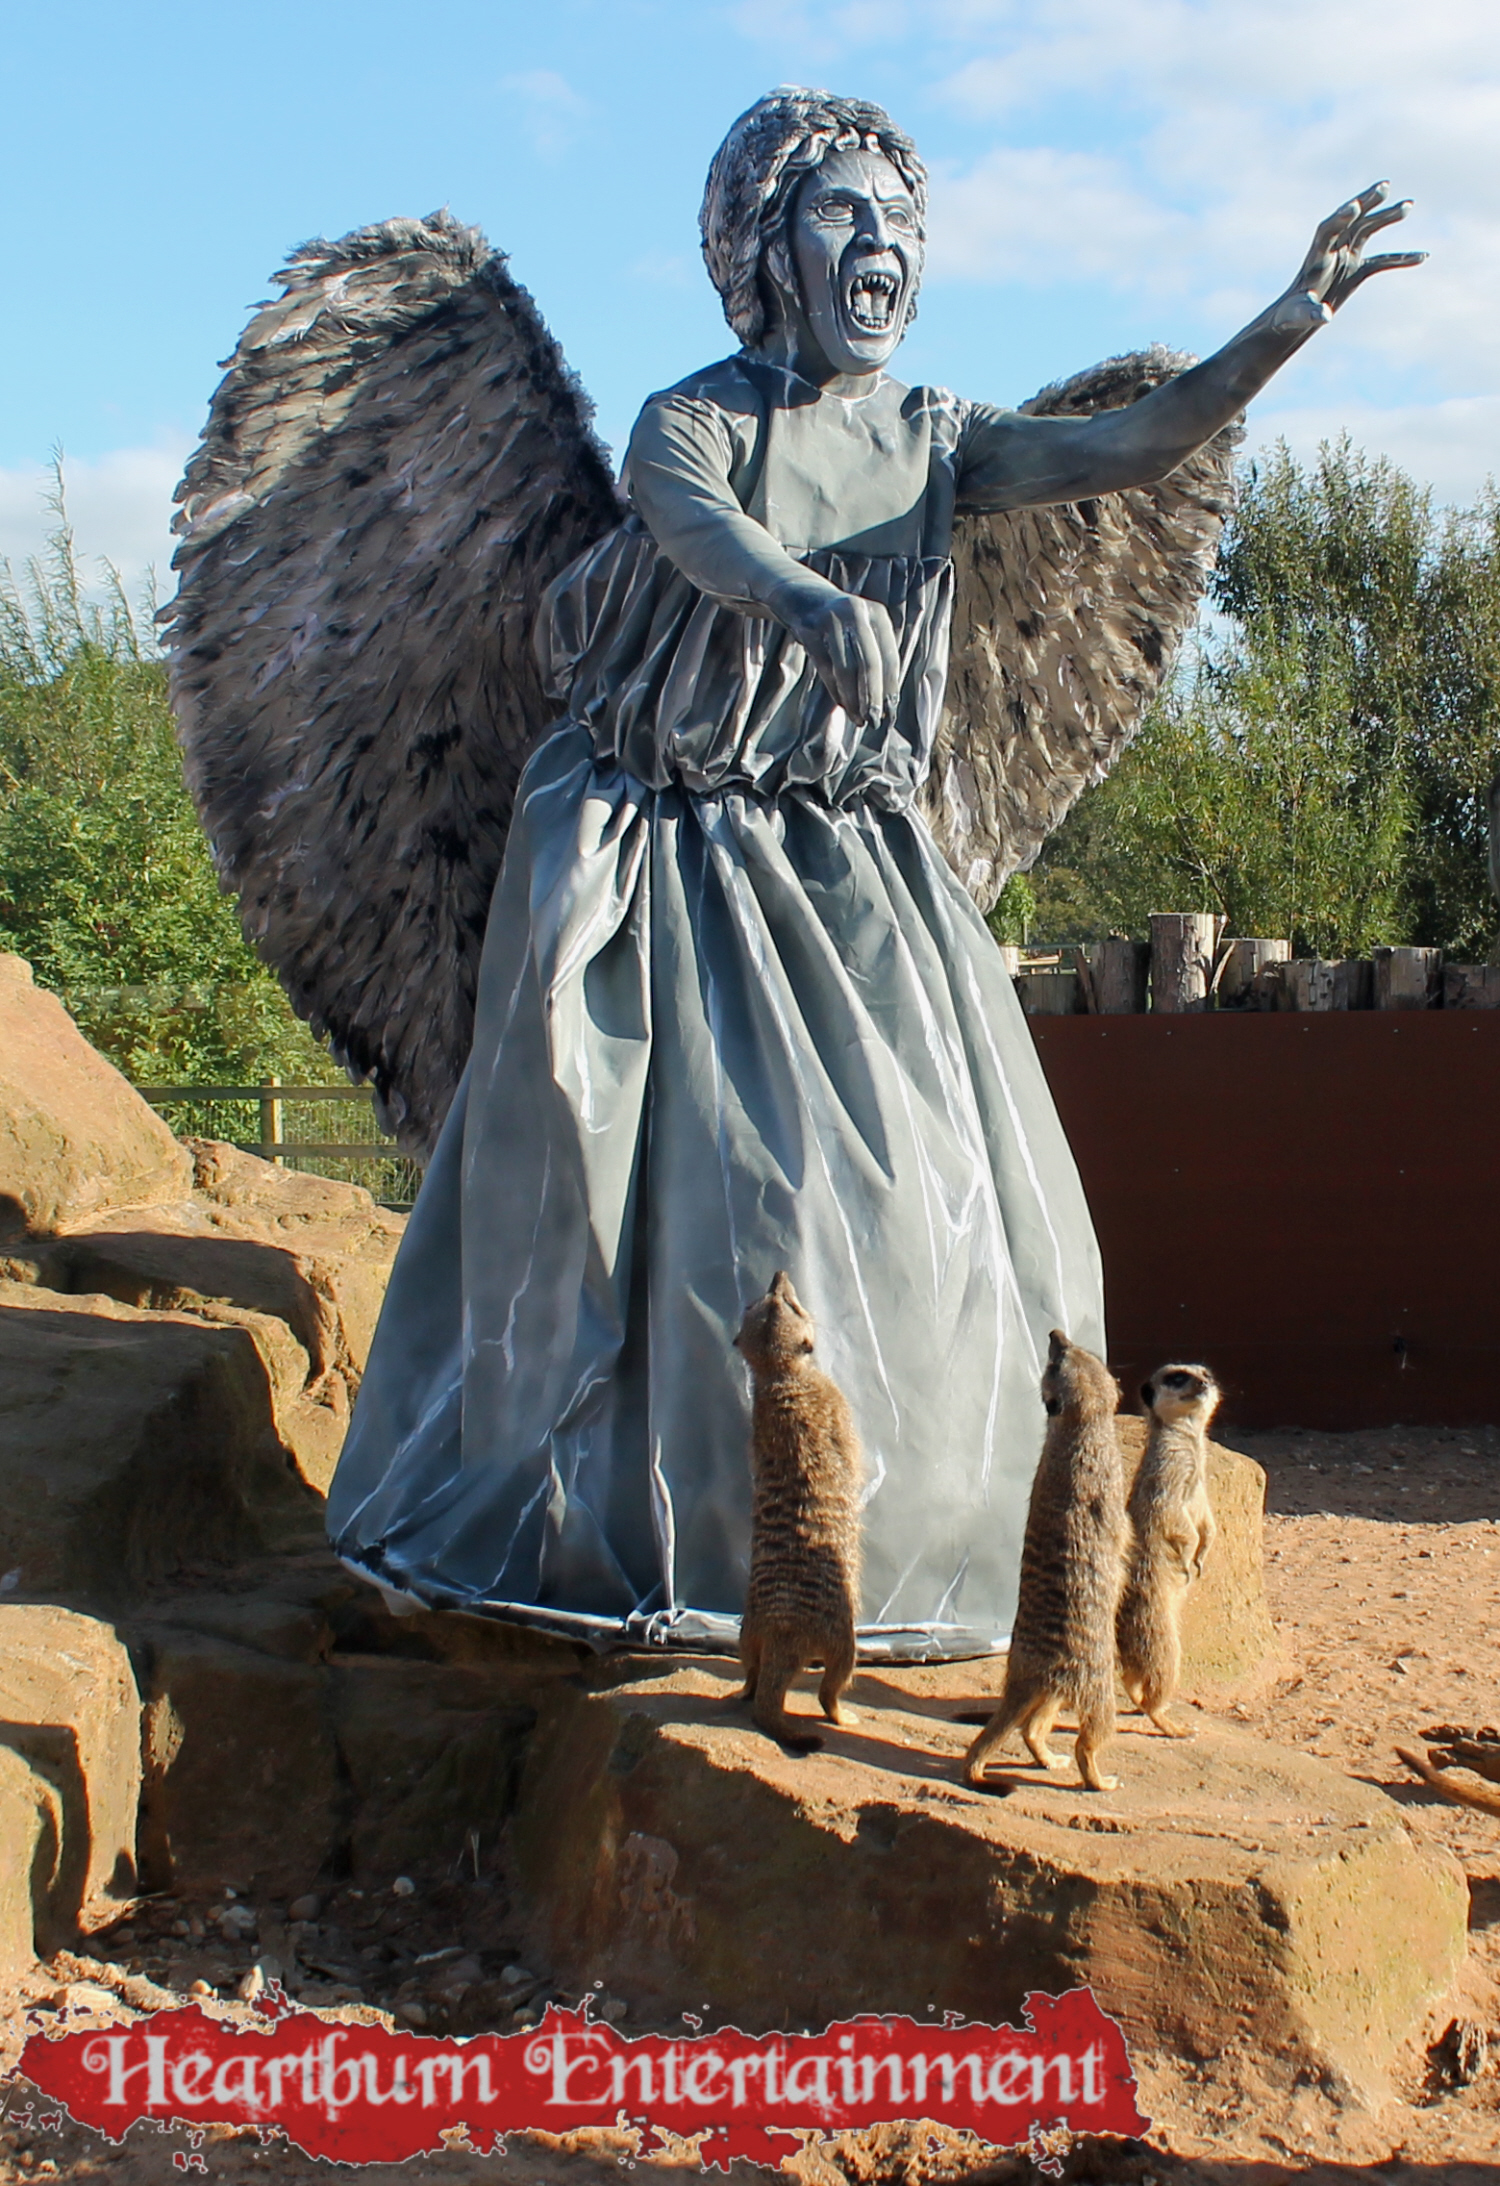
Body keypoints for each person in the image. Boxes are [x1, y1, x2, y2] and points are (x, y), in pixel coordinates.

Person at [327, 88, 1420, 1657]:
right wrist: (809, 603)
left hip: (851, 853)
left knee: (937, 1199)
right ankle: (653, 1525)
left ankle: (897, 1533)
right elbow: (698, 531)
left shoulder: (938, 437)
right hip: (670, 853)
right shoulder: (692, 423)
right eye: (844, 213)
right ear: (765, 245)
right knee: (705, 1200)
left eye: (902, 221)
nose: (881, 247)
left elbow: (1127, 442)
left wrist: (1284, 323)